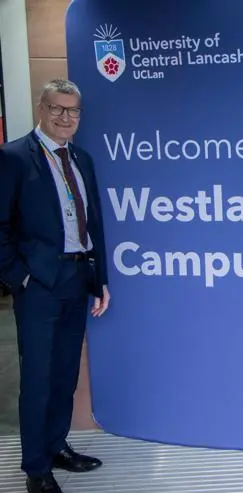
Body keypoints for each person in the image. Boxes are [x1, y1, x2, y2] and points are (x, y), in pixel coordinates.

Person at [0, 79, 111, 493]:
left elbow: (95, 224)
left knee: (65, 375)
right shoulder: (13, 157)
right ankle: (35, 468)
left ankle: (56, 446)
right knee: (38, 379)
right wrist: (18, 277)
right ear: (41, 108)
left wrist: (101, 280)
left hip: (78, 278)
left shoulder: (82, 158)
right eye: (57, 109)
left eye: (73, 111)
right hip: (39, 284)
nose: (66, 118)